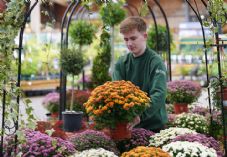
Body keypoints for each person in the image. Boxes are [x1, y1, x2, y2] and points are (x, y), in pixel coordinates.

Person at [112, 16, 168, 133]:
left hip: (154, 126)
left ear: (144, 36)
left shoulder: (155, 62)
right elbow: (116, 92)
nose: (129, 43)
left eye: (133, 38)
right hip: (127, 126)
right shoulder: (121, 63)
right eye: (126, 39)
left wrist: (139, 115)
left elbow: (159, 94)